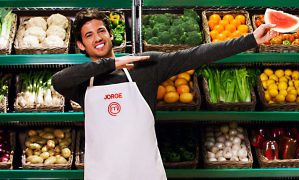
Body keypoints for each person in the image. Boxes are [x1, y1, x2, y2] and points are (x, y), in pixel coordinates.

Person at [52, 9, 278, 180]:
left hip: (146, 173)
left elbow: (196, 55)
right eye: (89, 35)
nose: (97, 38)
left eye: (101, 31)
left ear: (111, 35)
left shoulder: (143, 67)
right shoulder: (82, 84)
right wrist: (110, 63)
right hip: (103, 176)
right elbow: (58, 80)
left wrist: (251, 39)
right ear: (81, 45)